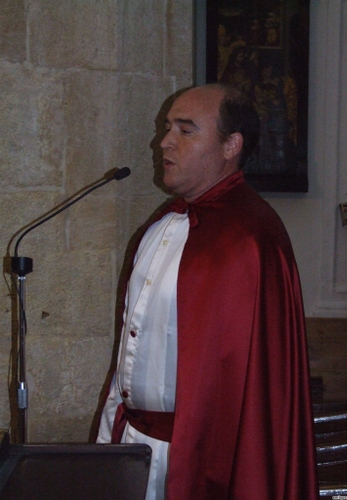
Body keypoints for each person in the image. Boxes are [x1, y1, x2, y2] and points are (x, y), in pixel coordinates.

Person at [96, 83, 319, 500]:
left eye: (185, 130)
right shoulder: (163, 224)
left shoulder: (250, 238)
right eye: (168, 128)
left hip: (203, 460)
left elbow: (253, 391)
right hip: (130, 445)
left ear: (231, 145)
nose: (164, 142)